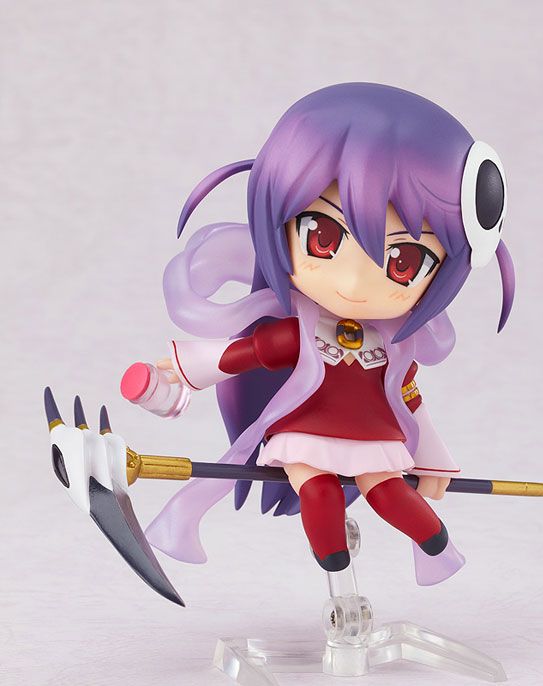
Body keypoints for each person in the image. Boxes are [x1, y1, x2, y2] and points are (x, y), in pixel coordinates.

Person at [138, 83, 514, 585]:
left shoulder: (393, 348)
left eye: (403, 262)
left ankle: (437, 550)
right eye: (323, 236)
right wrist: (186, 370)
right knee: (318, 490)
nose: (355, 284)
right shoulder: (301, 333)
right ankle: (335, 561)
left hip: (375, 433)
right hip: (305, 432)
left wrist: (433, 460)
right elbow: (246, 354)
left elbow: (409, 398)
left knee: (390, 491)